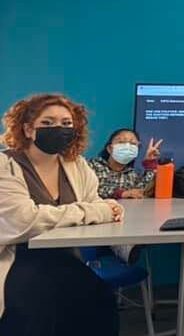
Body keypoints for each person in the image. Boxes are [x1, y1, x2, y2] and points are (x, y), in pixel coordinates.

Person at [0, 94, 124, 335]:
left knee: (101, 303)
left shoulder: (76, 165)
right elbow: (24, 221)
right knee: (38, 309)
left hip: (66, 259)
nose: (58, 129)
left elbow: (97, 204)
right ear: (28, 129)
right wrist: (94, 211)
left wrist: (101, 209)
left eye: (66, 124)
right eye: (47, 123)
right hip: (17, 261)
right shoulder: (5, 164)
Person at [88, 128, 163, 263]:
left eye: (133, 143)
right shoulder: (93, 165)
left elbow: (142, 191)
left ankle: (129, 244)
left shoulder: (132, 173)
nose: (127, 146)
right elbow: (93, 190)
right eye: (121, 142)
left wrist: (149, 163)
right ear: (110, 149)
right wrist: (122, 193)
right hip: (99, 218)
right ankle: (123, 246)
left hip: (127, 219)